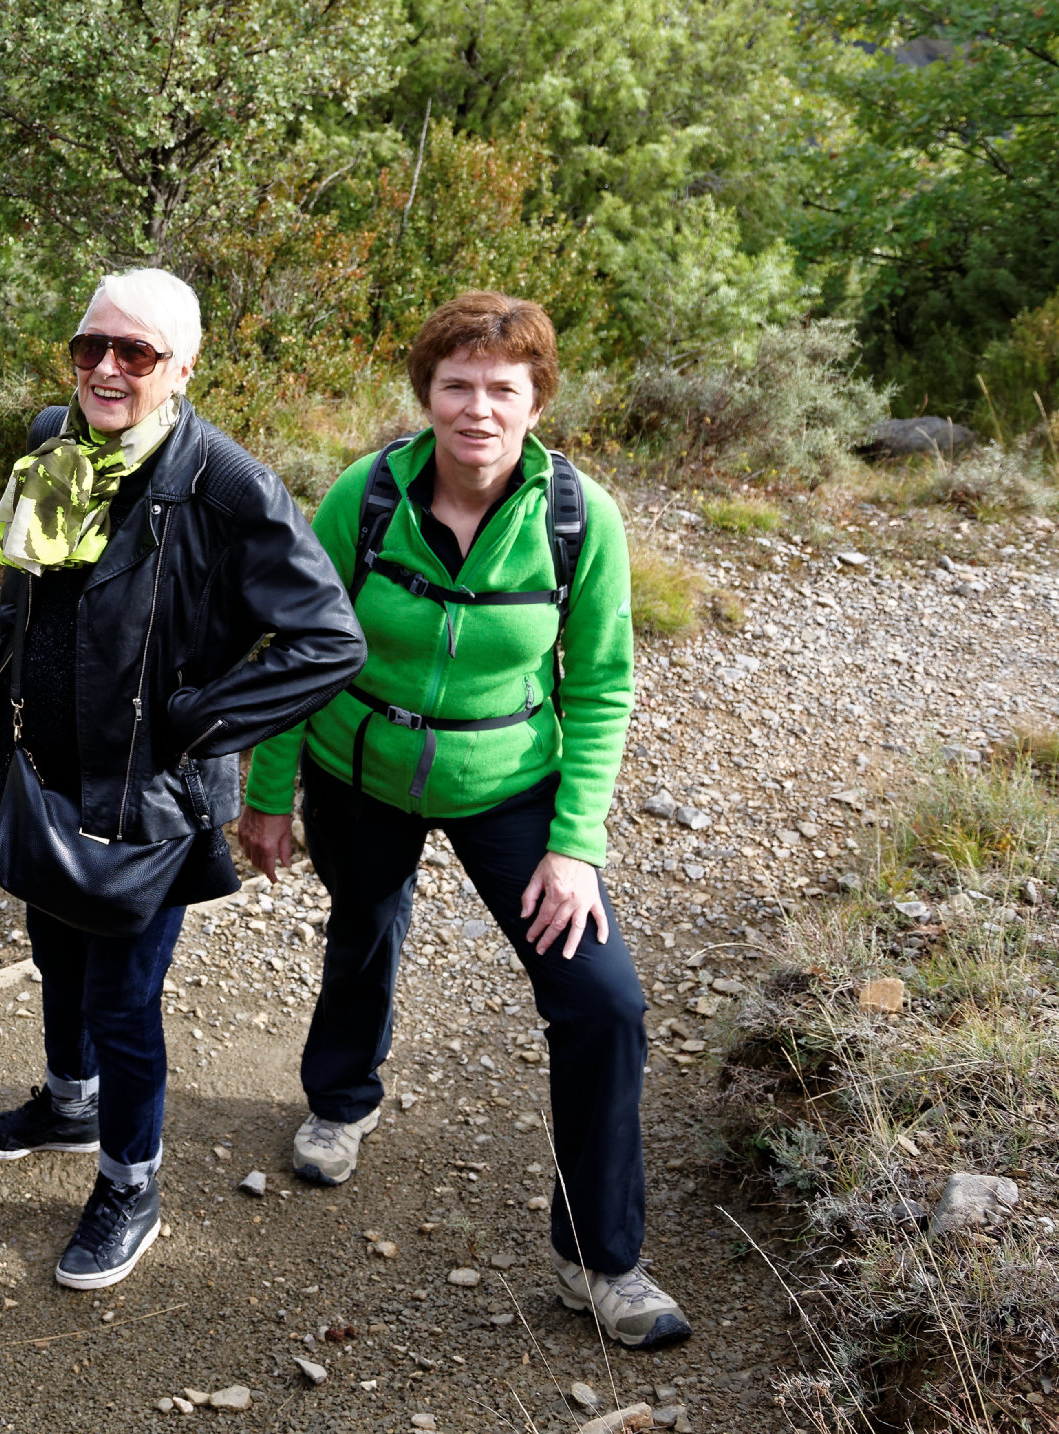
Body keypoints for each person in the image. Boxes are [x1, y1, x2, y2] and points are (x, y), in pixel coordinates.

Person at [240, 291, 688, 1349]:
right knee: (363, 923)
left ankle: (600, 1258)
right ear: (427, 395)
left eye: (502, 388)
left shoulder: (580, 518)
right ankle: (342, 1099)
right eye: (456, 385)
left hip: (509, 781)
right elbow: (297, 645)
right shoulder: (365, 496)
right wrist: (267, 793)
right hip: (361, 766)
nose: (477, 408)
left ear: (537, 400)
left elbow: (602, 686)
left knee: (603, 1002)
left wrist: (575, 845)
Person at [0, 269, 366, 1290]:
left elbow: (328, 640)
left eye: (134, 352)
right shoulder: (58, 438)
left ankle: (129, 1183)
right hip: (47, 766)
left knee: (124, 998)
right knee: (56, 951)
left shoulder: (227, 486)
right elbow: (28, 592)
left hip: (150, 794)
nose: (105, 368)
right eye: (89, 345)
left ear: (181, 368)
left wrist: (200, 722)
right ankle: (69, 1102)